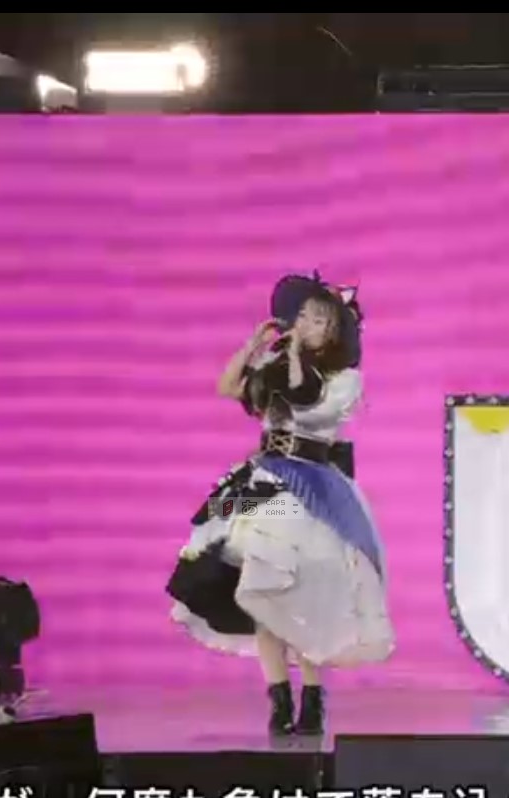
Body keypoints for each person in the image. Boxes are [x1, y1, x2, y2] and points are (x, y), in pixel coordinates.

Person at [167, 273, 393, 736]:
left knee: (298, 597)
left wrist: (289, 358)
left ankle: (312, 699)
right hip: (264, 480)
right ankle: (278, 699)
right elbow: (228, 387)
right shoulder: (274, 362)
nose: (307, 325)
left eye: (320, 320)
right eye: (304, 316)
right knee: (258, 589)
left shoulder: (345, 379)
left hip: (312, 485)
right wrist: (255, 346)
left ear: (336, 331)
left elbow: (309, 406)